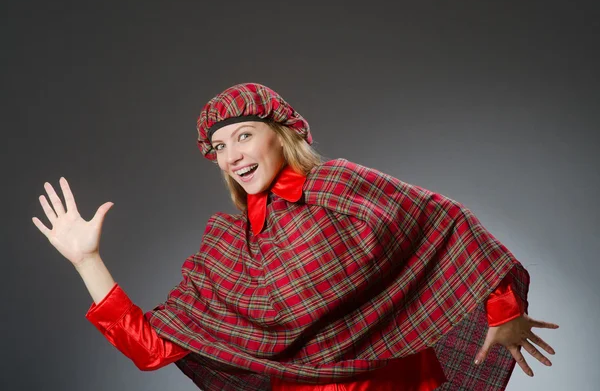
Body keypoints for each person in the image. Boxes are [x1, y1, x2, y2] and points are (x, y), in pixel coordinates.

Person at [33, 83, 559, 391]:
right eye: (219, 146)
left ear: (280, 133)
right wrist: (87, 260)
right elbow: (151, 348)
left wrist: (503, 307)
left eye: (244, 135)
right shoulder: (229, 246)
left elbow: (445, 225)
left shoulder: (338, 185)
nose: (233, 154)